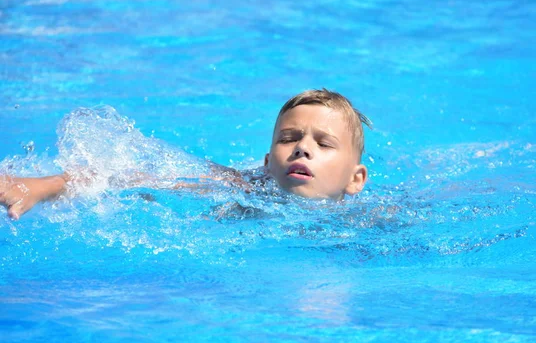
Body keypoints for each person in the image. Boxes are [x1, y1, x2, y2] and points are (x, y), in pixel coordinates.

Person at [0, 89, 372, 220]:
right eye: (289, 139)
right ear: (266, 163)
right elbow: (127, 175)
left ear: (355, 179)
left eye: (323, 144)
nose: (302, 148)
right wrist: (43, 187)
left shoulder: (376, 221)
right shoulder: (243, 187)